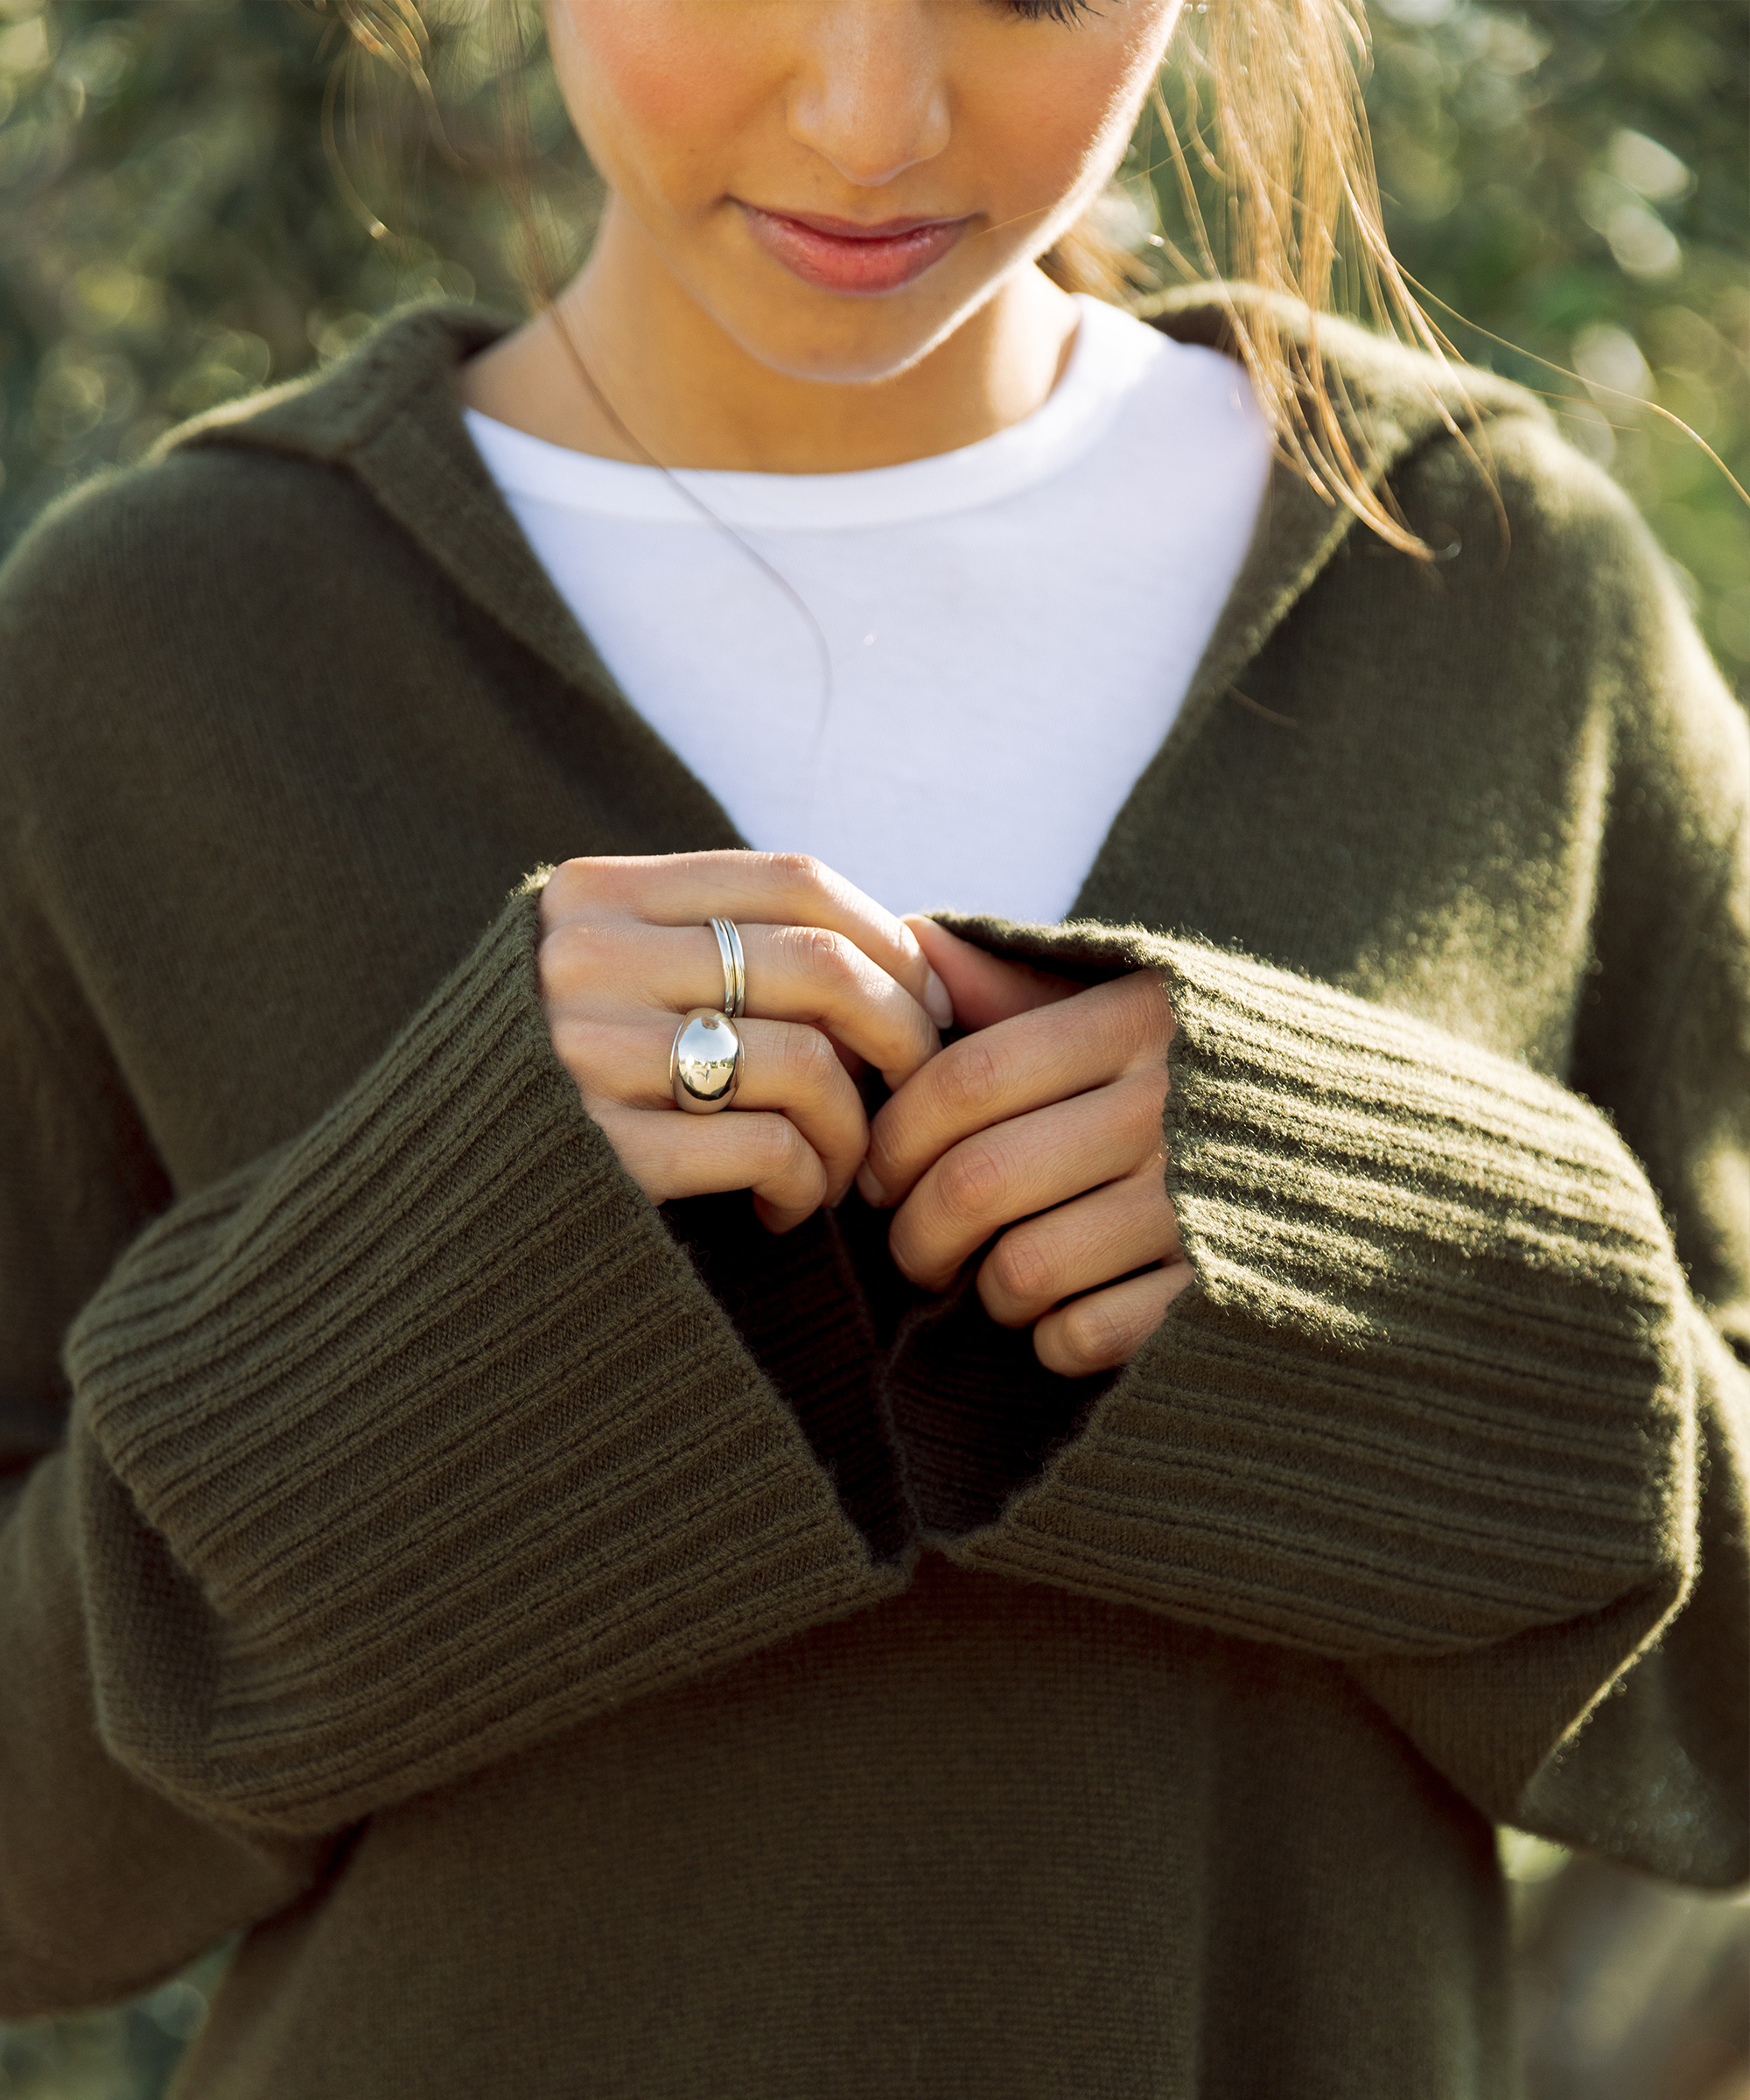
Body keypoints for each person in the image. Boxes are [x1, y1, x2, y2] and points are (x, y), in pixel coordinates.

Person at [0, 0, 1743, 2091]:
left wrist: (1384, 1244)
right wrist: (437, 1273)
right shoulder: (149, 653)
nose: (865, 118)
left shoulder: (1488, 595)